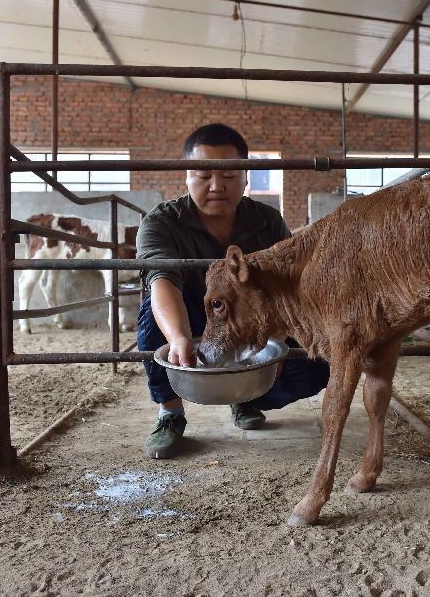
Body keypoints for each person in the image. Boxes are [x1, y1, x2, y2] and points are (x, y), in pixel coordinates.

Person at [136, 123, 330, 459]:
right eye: (203, 175)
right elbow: (162, 282)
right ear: (186, 175)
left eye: (229, 176)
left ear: (246, 177)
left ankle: (245, 397)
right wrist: (180, 338)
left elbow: (285, 286)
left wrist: (279, 338)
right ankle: (170, 414)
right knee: (154, 326)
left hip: (251, 321)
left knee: (317, 363)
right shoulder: (161, 222)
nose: (216, 186)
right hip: (193, 314)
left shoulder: (267, 220)